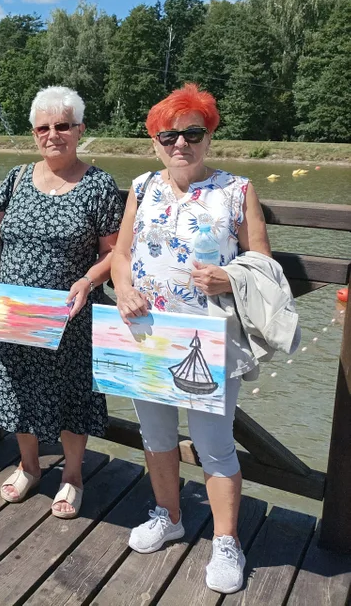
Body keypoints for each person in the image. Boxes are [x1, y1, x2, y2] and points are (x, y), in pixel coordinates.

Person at [111, 84, 272, 594]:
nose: (180, 143)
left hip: (210, 337)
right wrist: (123, 290)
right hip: (146, 333)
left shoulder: (237, 190)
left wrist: (230, 277)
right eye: (168, 135)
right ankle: (169, 516)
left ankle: (227, 541)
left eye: (192, 133)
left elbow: (263, 263)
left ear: (208, 137)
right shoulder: (142, 187)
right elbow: (121, 255)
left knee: (214, 445)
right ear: (155, 142)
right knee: (155, 435)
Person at [0, 86, 123, 516]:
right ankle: (28, 466)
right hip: (13, 310)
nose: (53, 134)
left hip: (70, 313)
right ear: (33, 134)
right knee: (18, 389)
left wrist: (88, 280)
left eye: (63, 125)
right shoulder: (15, 178)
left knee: (71, 395)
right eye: (43, 127)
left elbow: (114, 252)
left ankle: (72, 475)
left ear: (80, 130)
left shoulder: (99, 185)